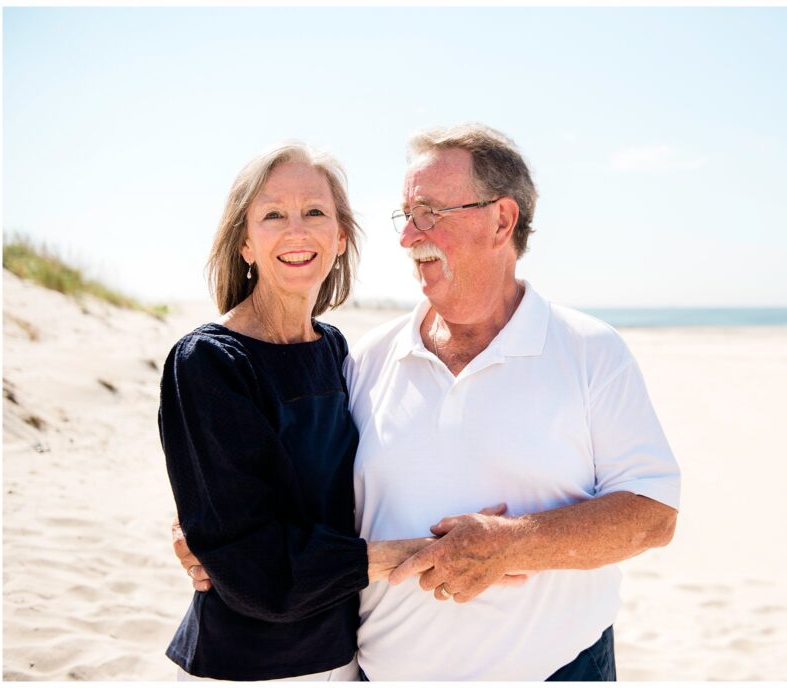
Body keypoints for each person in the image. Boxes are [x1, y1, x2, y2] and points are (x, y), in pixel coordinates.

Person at [176, 124, 682, 681]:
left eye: (430, 212)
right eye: (406, 215)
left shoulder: (590, 350)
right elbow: (282, 473)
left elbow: (651, 515)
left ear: (502, 220)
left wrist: (511, 545)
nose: (409, 235)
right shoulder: (366, 357)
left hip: (557, 670)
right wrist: (208, 531)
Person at [159, 143, 437, 681]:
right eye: (272, 215)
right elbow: (254, 561)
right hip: (249, 664)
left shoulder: (333, 350)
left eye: (315, 212)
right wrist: (417, 554)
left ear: (340, 238)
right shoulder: (210, 361)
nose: (296, 230)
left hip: (345, 652)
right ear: (244, 243)